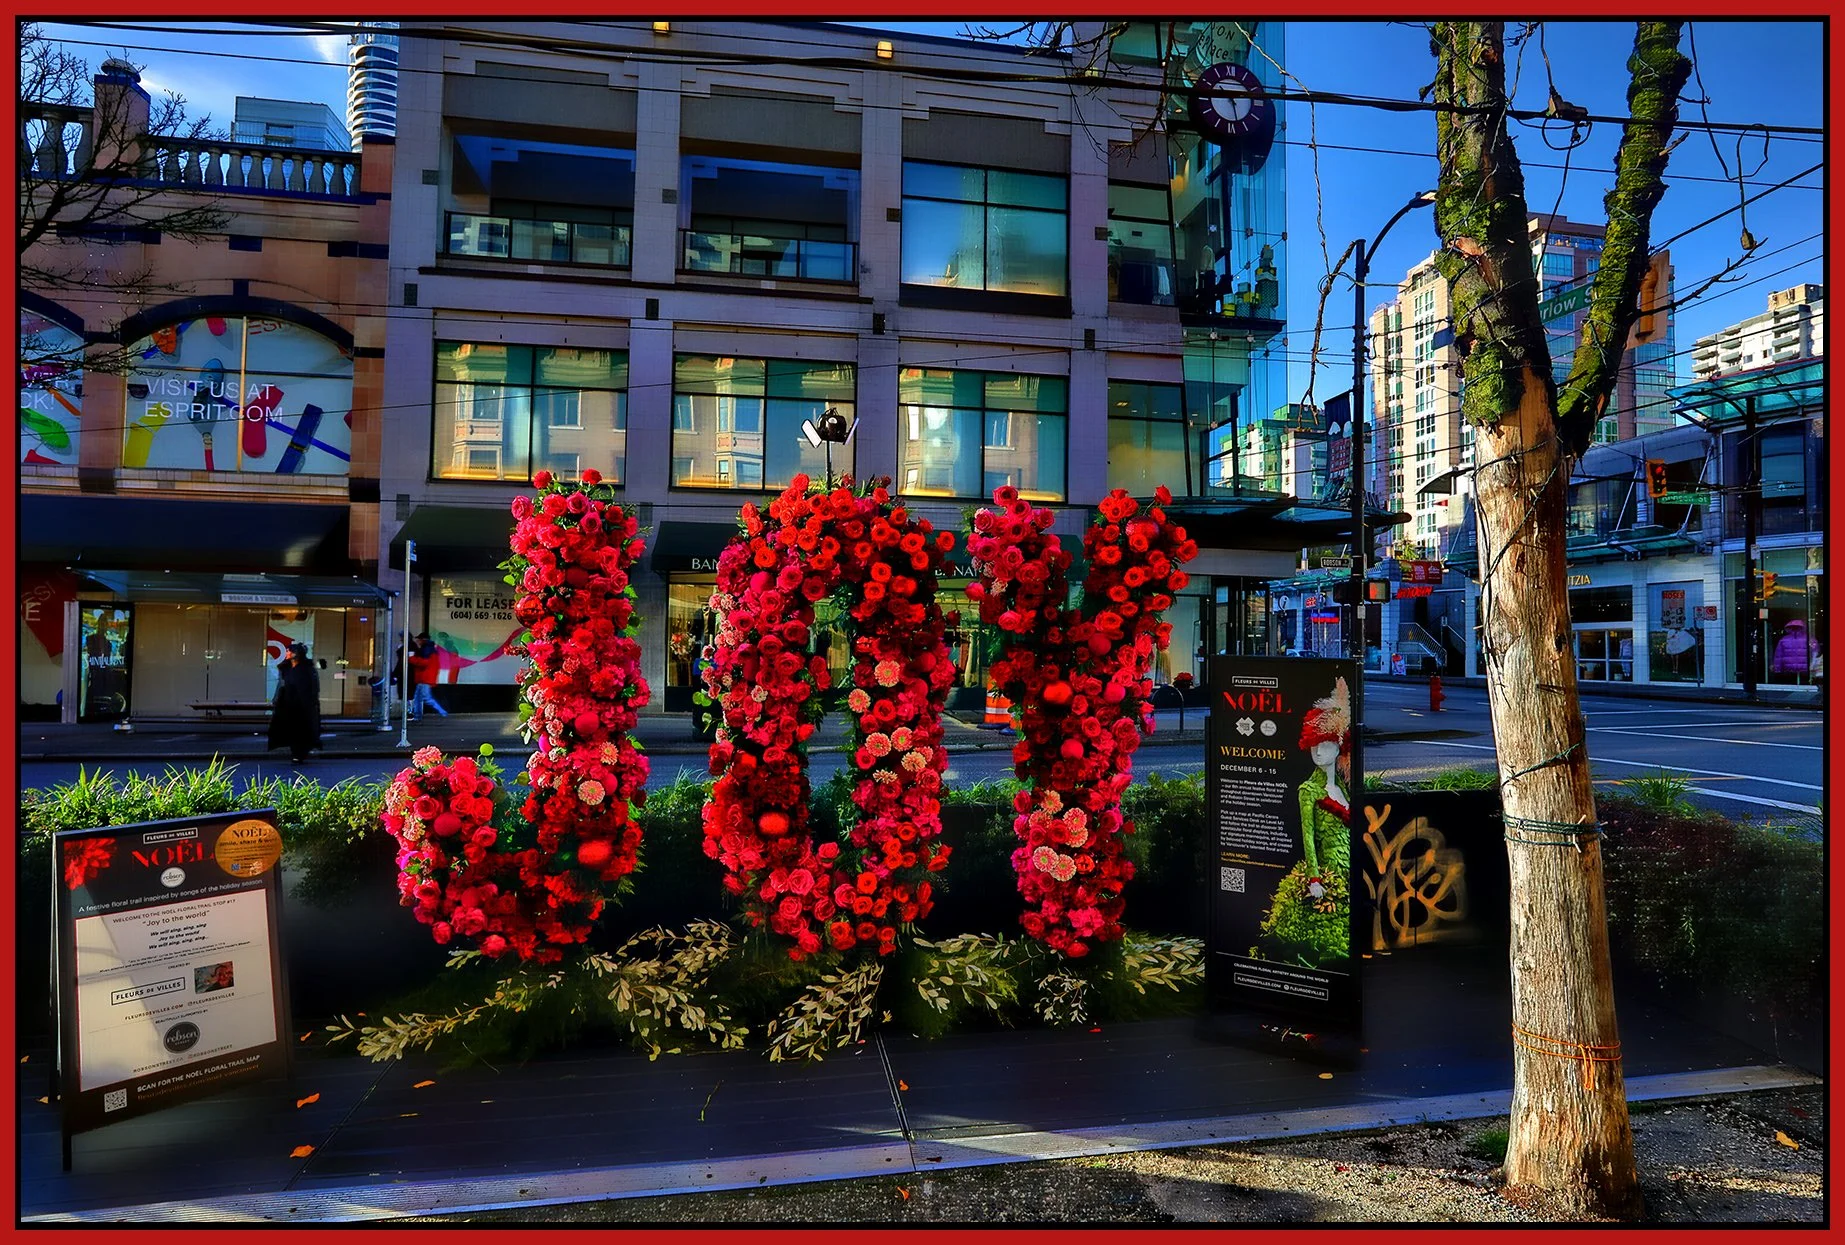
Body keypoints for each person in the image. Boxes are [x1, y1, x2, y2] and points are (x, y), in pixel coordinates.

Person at [268, 641, 322, 764]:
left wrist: (311, 702)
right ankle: (295, 751)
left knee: (301, 729)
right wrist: (277, 699)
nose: (287, 653)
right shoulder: (285, 668)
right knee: (290, 728)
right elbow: (281, 685)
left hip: (303, 705)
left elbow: (313, 687)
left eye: (289, 651)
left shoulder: (307, 669)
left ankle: (299, 752)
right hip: (287, 703)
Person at [407, 633, 449, 718]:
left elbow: (424, 663)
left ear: (423, 640)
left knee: (426, 698)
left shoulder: (426, 649)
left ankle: (442, 712)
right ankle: (417, 716)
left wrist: (411, 658)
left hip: (424, 678)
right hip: (424, 678)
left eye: (419, 639)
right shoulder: (430, 649)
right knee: (418, 698)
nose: (418, 641)